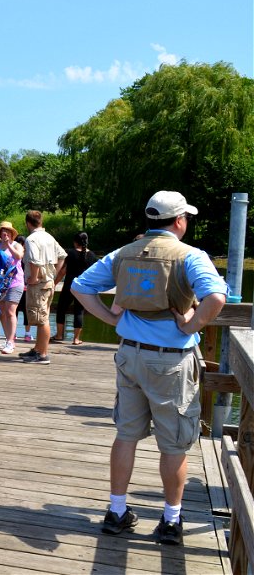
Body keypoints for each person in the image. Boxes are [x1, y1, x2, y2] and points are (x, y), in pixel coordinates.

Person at [72, 191, 226, 546]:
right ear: (179, 221)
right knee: (173, 443)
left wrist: (111, 317)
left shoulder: (124, 253)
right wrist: (190, 326)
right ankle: (171, 520)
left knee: (126, 434)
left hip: (129, 355)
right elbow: (216, 297)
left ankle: (116, 512)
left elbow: (81, 287)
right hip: (170, 359)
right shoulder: (190, 256)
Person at [20, 210, 66, 364]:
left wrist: (33, 277)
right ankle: (38, 349)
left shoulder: (31, 239)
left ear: (28, 223)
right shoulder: (49, 237)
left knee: (42, 319)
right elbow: (62, 255)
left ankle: (43, 354)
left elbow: (34, 260)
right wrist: (54, 274)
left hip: (38, 283)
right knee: (42, 316)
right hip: (48, 282)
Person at [53, 232, 98, 345]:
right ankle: (76, 339)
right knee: (79, 311)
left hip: (69, 286)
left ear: (75, 242)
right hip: (83, 288)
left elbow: (63, 271)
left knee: (61, 309)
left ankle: (59, 335)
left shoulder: (71, 253)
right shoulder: (92, 256)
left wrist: (54, 284)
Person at [0, 221, 25, 354]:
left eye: (7, 231)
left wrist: (8, 245)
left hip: (15, 282)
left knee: (10, 312)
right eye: (3, 231)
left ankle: (11, 341)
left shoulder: (17, 245)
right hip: (0, 283)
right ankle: (9, 339)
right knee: (2, 313)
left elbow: (18, 257)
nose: (5, 233)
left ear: (12, 233)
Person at [13, 234, 32, 342]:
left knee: (13, 311)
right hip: (26, 287)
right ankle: (27, 334)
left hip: (15, 286)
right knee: (26, 312)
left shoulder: (13, 255)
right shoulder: (27, 255)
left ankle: (13, 333)